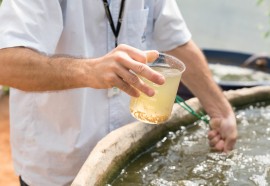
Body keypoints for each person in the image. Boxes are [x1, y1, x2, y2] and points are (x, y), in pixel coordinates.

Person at [0, 0, 237, 185]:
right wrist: (88, 71)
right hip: (59, 165)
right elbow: (6, 63)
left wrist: (221, 109)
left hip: (130, 152)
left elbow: (175, 40)